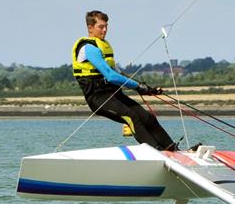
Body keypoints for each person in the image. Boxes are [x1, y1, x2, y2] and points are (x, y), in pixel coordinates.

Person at [72, 10, 177, 151]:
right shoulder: (88, 48)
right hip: (98, 98)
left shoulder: (104, 46)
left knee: (147, 118)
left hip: (114, 94)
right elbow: (110, 75)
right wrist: (138, 87)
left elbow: (116, 74)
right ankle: (155, 151)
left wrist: (147, 88)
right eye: (101, 26)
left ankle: (173, 150)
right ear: (90, 27)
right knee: (131, 116)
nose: (105, 30)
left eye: (106, 26)